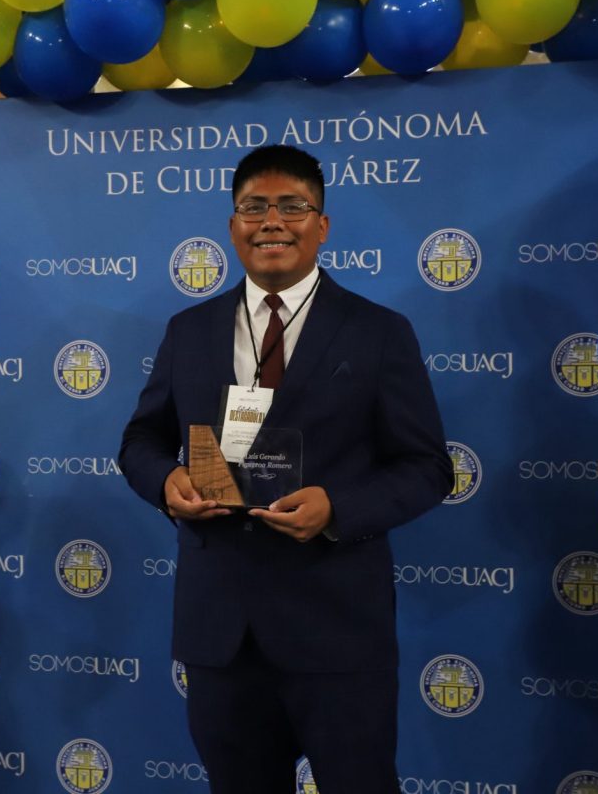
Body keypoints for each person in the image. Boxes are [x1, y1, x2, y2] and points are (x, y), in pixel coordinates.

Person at [119, 144, 453, 794]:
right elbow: (141, 439)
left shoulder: (378, 332)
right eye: (254, 207)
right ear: (232, 226)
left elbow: (427, 467)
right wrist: (166, 481)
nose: (271, 221)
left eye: (292, 206)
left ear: (321, 225)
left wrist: (338, 508)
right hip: (222, 635)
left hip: (337, 630)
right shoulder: (188, 330)